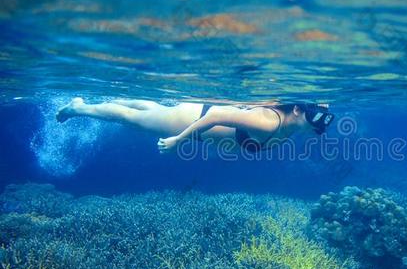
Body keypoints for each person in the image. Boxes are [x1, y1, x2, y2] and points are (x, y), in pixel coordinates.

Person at [56, 98, 335, 153]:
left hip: (194, 122)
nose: (320, 124)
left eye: (324, 119)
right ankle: (77, 109)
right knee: (130, 118)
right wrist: (178, 139)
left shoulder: (289, 125)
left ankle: (109, 100)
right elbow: (214, 116)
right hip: (192, 121)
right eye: (317, 117)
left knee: (152, 109)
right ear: (297, 109)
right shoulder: (267, 122)